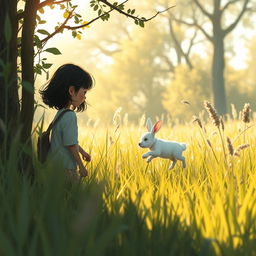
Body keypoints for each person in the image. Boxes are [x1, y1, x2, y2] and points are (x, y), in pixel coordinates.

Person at [40, 63, 94, 181]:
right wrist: (81, 165)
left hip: (55, 166)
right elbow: (70, 144)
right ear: (71, 90)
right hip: (67, 169)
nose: (84, 97)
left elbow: (69, 140)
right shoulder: (70, 116)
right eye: (84, 92)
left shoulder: (61, 113)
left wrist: (83, 152)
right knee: (71, 197)